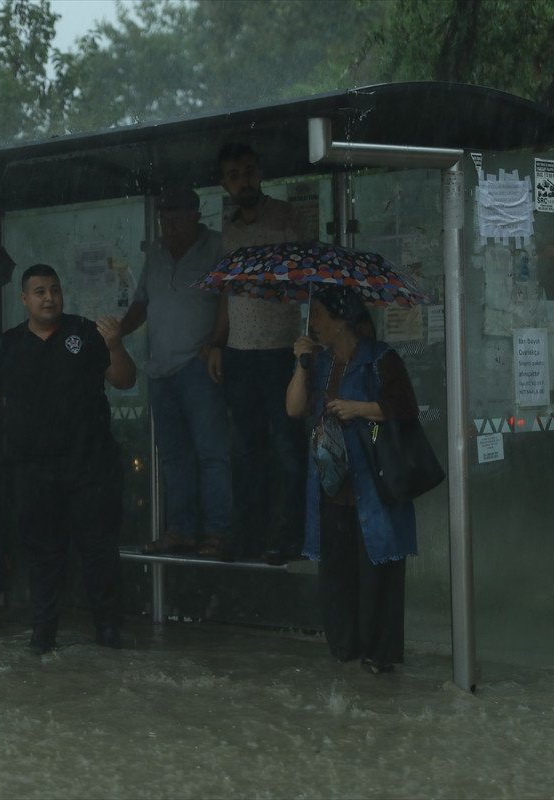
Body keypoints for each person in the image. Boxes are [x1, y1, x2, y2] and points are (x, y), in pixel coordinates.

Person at [0, 264, 136, 655]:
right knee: (42, 555)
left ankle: (108, 631)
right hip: (33, 470)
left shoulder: (86, 333)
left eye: (54, 290)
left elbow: (125, 380)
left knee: (99, 552)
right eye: (39, 291)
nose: (48, 297)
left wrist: (114, 345)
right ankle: (43, 635)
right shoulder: (6, 344)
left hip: (90, 466)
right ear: (24, 299)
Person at [285, 286, 418, 675]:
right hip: (332, 486)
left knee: (378, 572)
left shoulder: (381, 359)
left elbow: (405, 408)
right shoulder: (321, 362)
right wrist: (302, 364)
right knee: (339, 574)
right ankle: (345, 650)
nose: (314, 323)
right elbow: (295, 407)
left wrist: (358, 408)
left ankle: (380, 655)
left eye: (321, 315)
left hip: (375, 485)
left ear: (342, 320)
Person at [119, 185, 234, 559]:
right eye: (164, 218)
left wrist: (216, 343)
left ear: (195, 215)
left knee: (211, 452)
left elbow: (228, 301)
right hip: (161, 370)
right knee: (172, 455)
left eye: (176, 218)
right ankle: (181, 531)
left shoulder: (217, 246)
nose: (169, 225)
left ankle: (217, 533)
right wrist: (112, 334)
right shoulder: (155, 253)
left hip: (198, 366)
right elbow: (140, 304)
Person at [207, 142, 307, 564]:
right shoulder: (228, 229)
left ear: (260, 172)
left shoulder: (286, 217)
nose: (242, 180)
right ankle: (247, 535)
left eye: (248, 171)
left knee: (287, 448)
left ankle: (290, 537)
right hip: (239, 353)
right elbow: (226, 292)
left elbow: (308, 280)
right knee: (244, 450)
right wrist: (216, 342)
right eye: (233, 175)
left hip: (281, 350)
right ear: (224, 183)